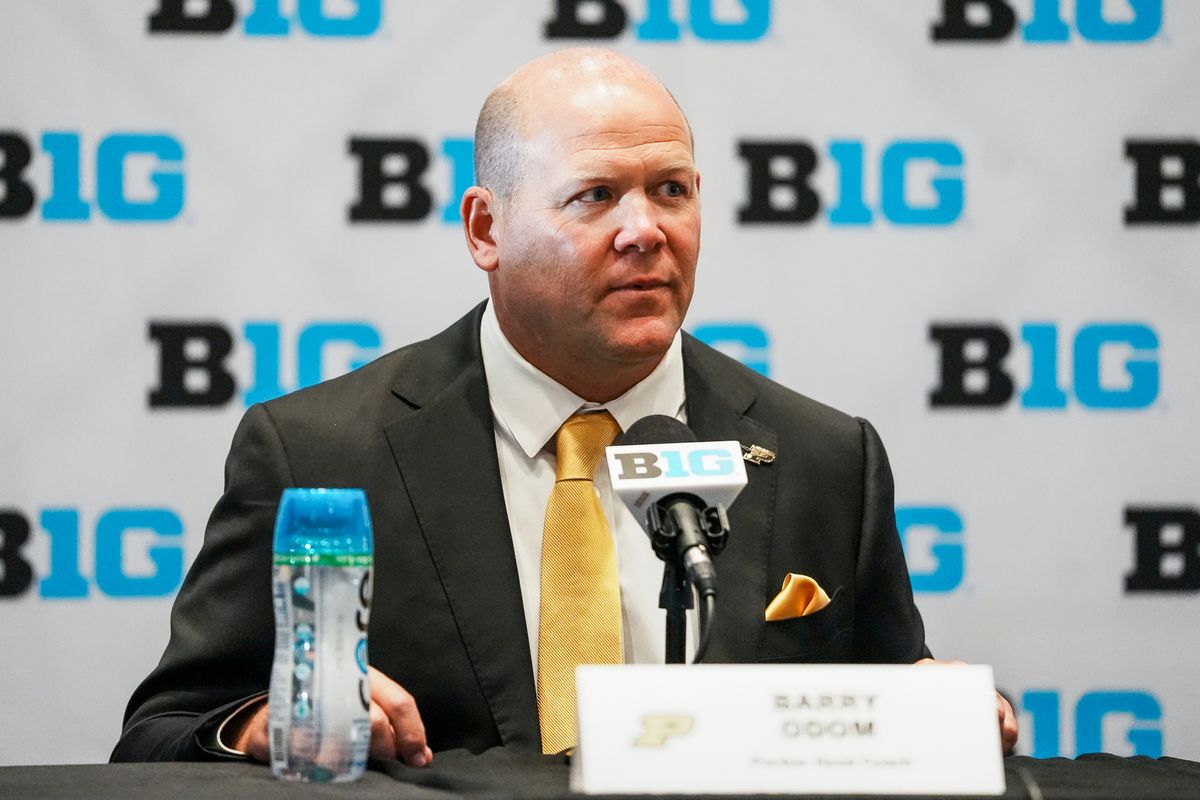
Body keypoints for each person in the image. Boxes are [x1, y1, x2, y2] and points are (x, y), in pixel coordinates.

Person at [112, 48, 1018, 767]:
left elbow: (891, 716)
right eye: (595, 195)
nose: (645, 230)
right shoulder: (318, 452)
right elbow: (163, 734)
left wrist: (944, 715)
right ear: (485, 229)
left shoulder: (826, 457)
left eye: (672, 189)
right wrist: (264, 724)